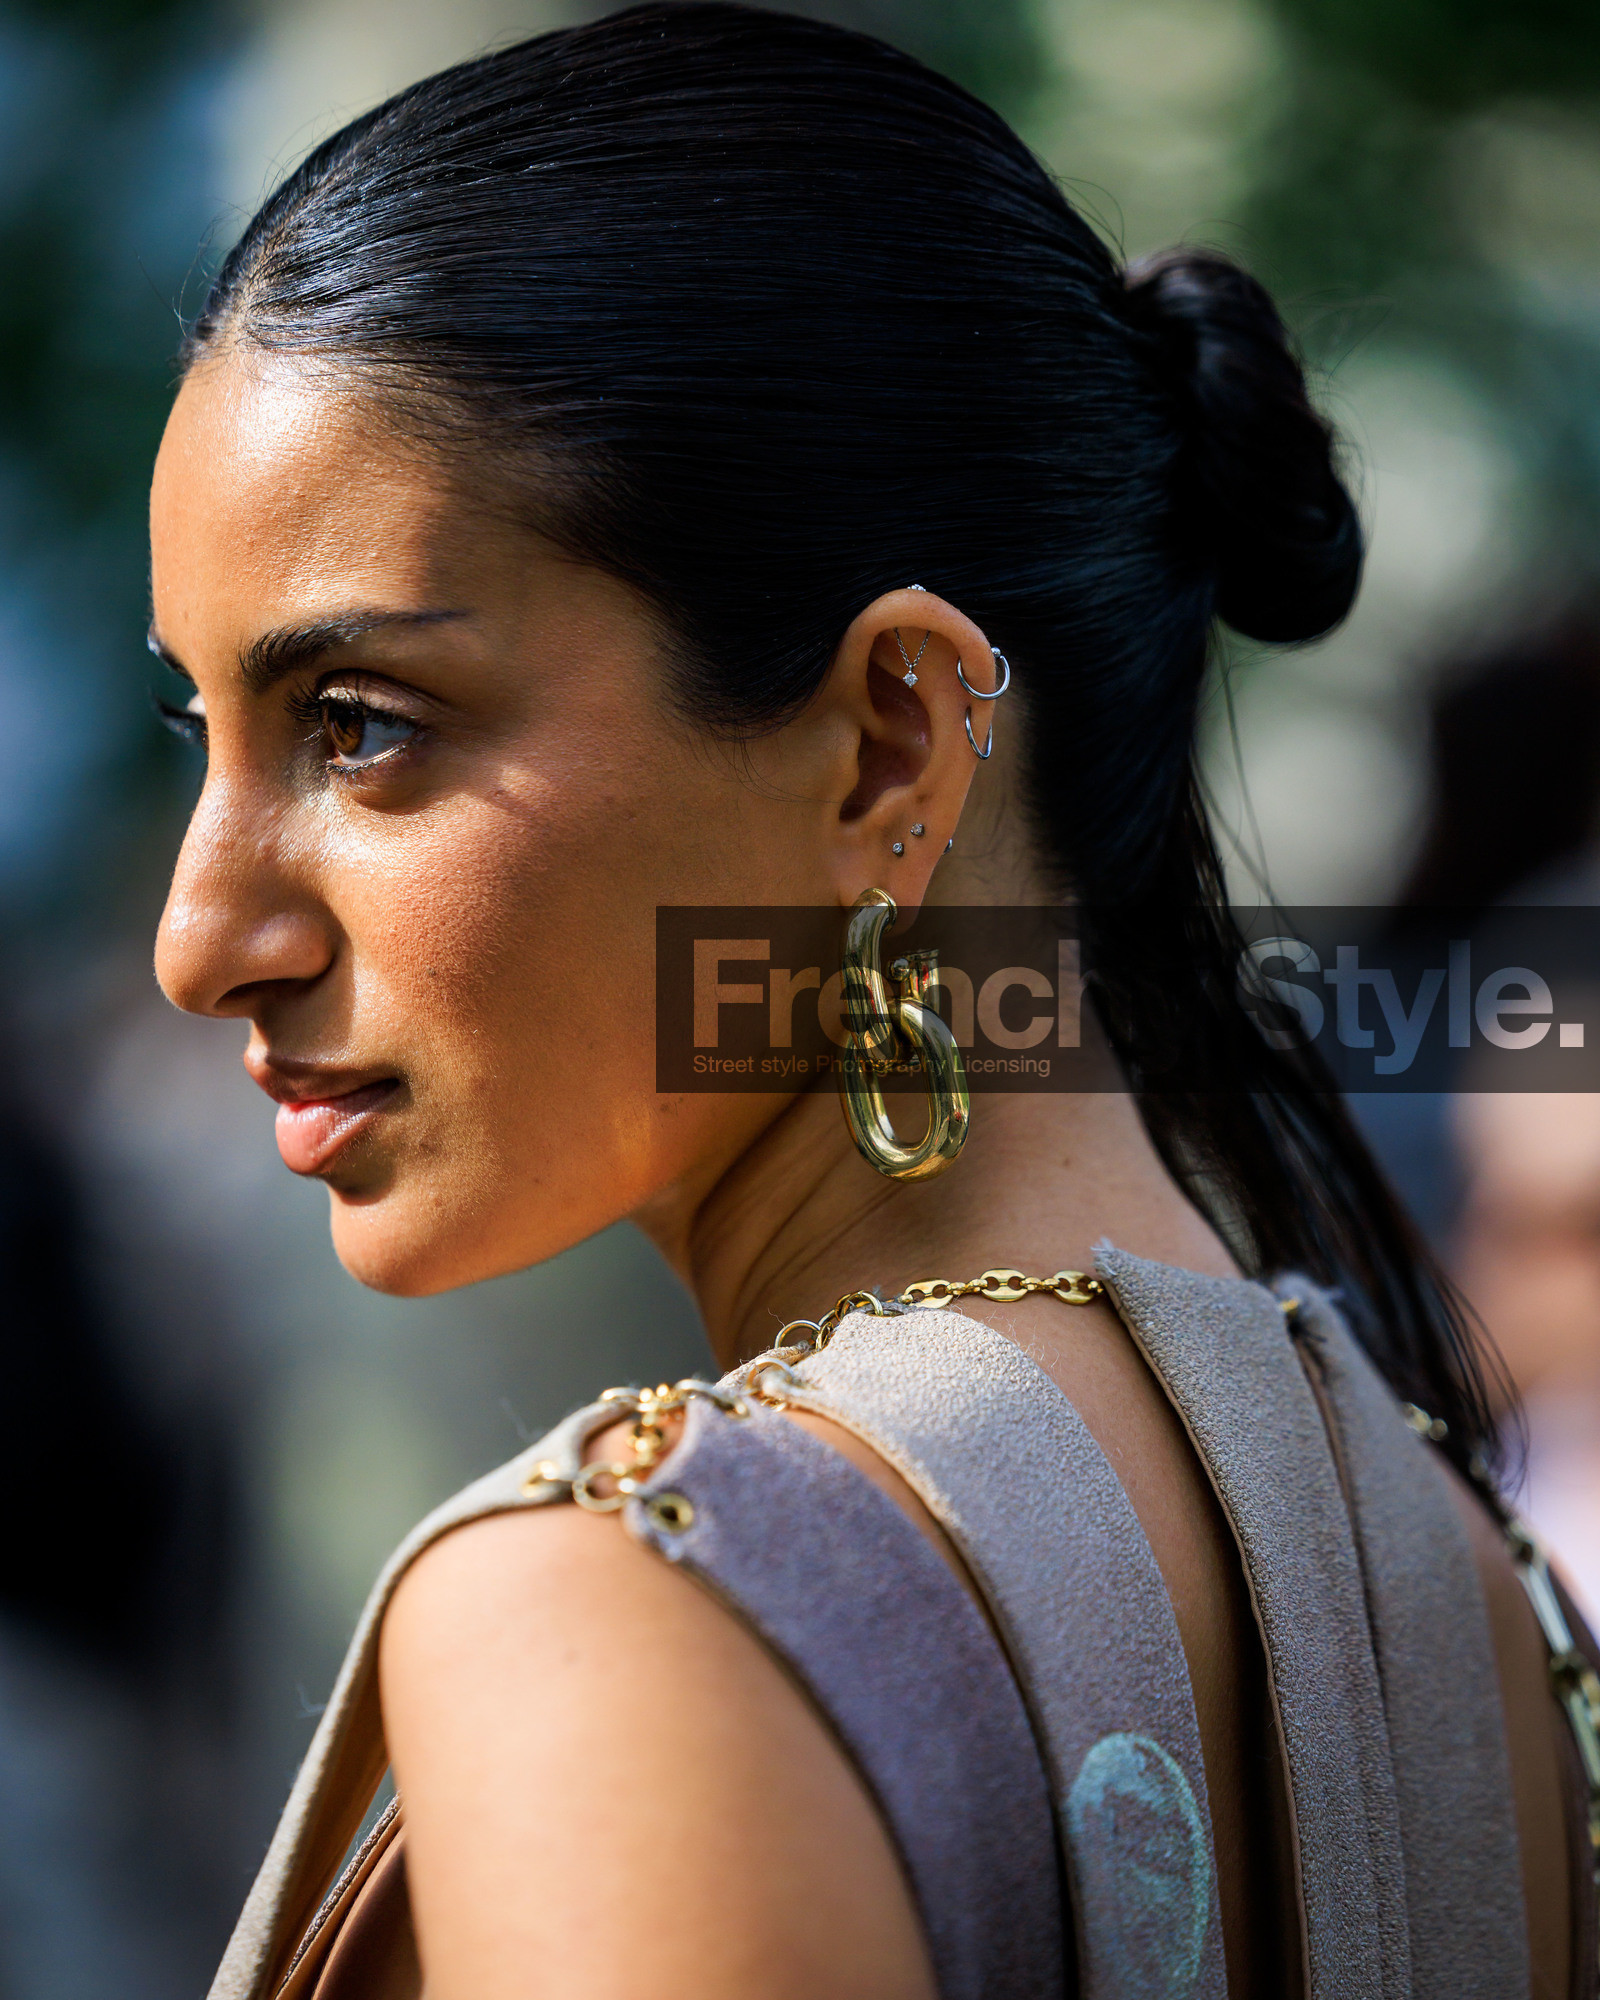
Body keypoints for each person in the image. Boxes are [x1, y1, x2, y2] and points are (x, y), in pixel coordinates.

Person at [147, 8, 1594, 1996]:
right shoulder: (1459, 1572)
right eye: (197, 722)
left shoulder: (631, 1615)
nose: (202, 931)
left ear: (886, 750)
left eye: (365, 725)